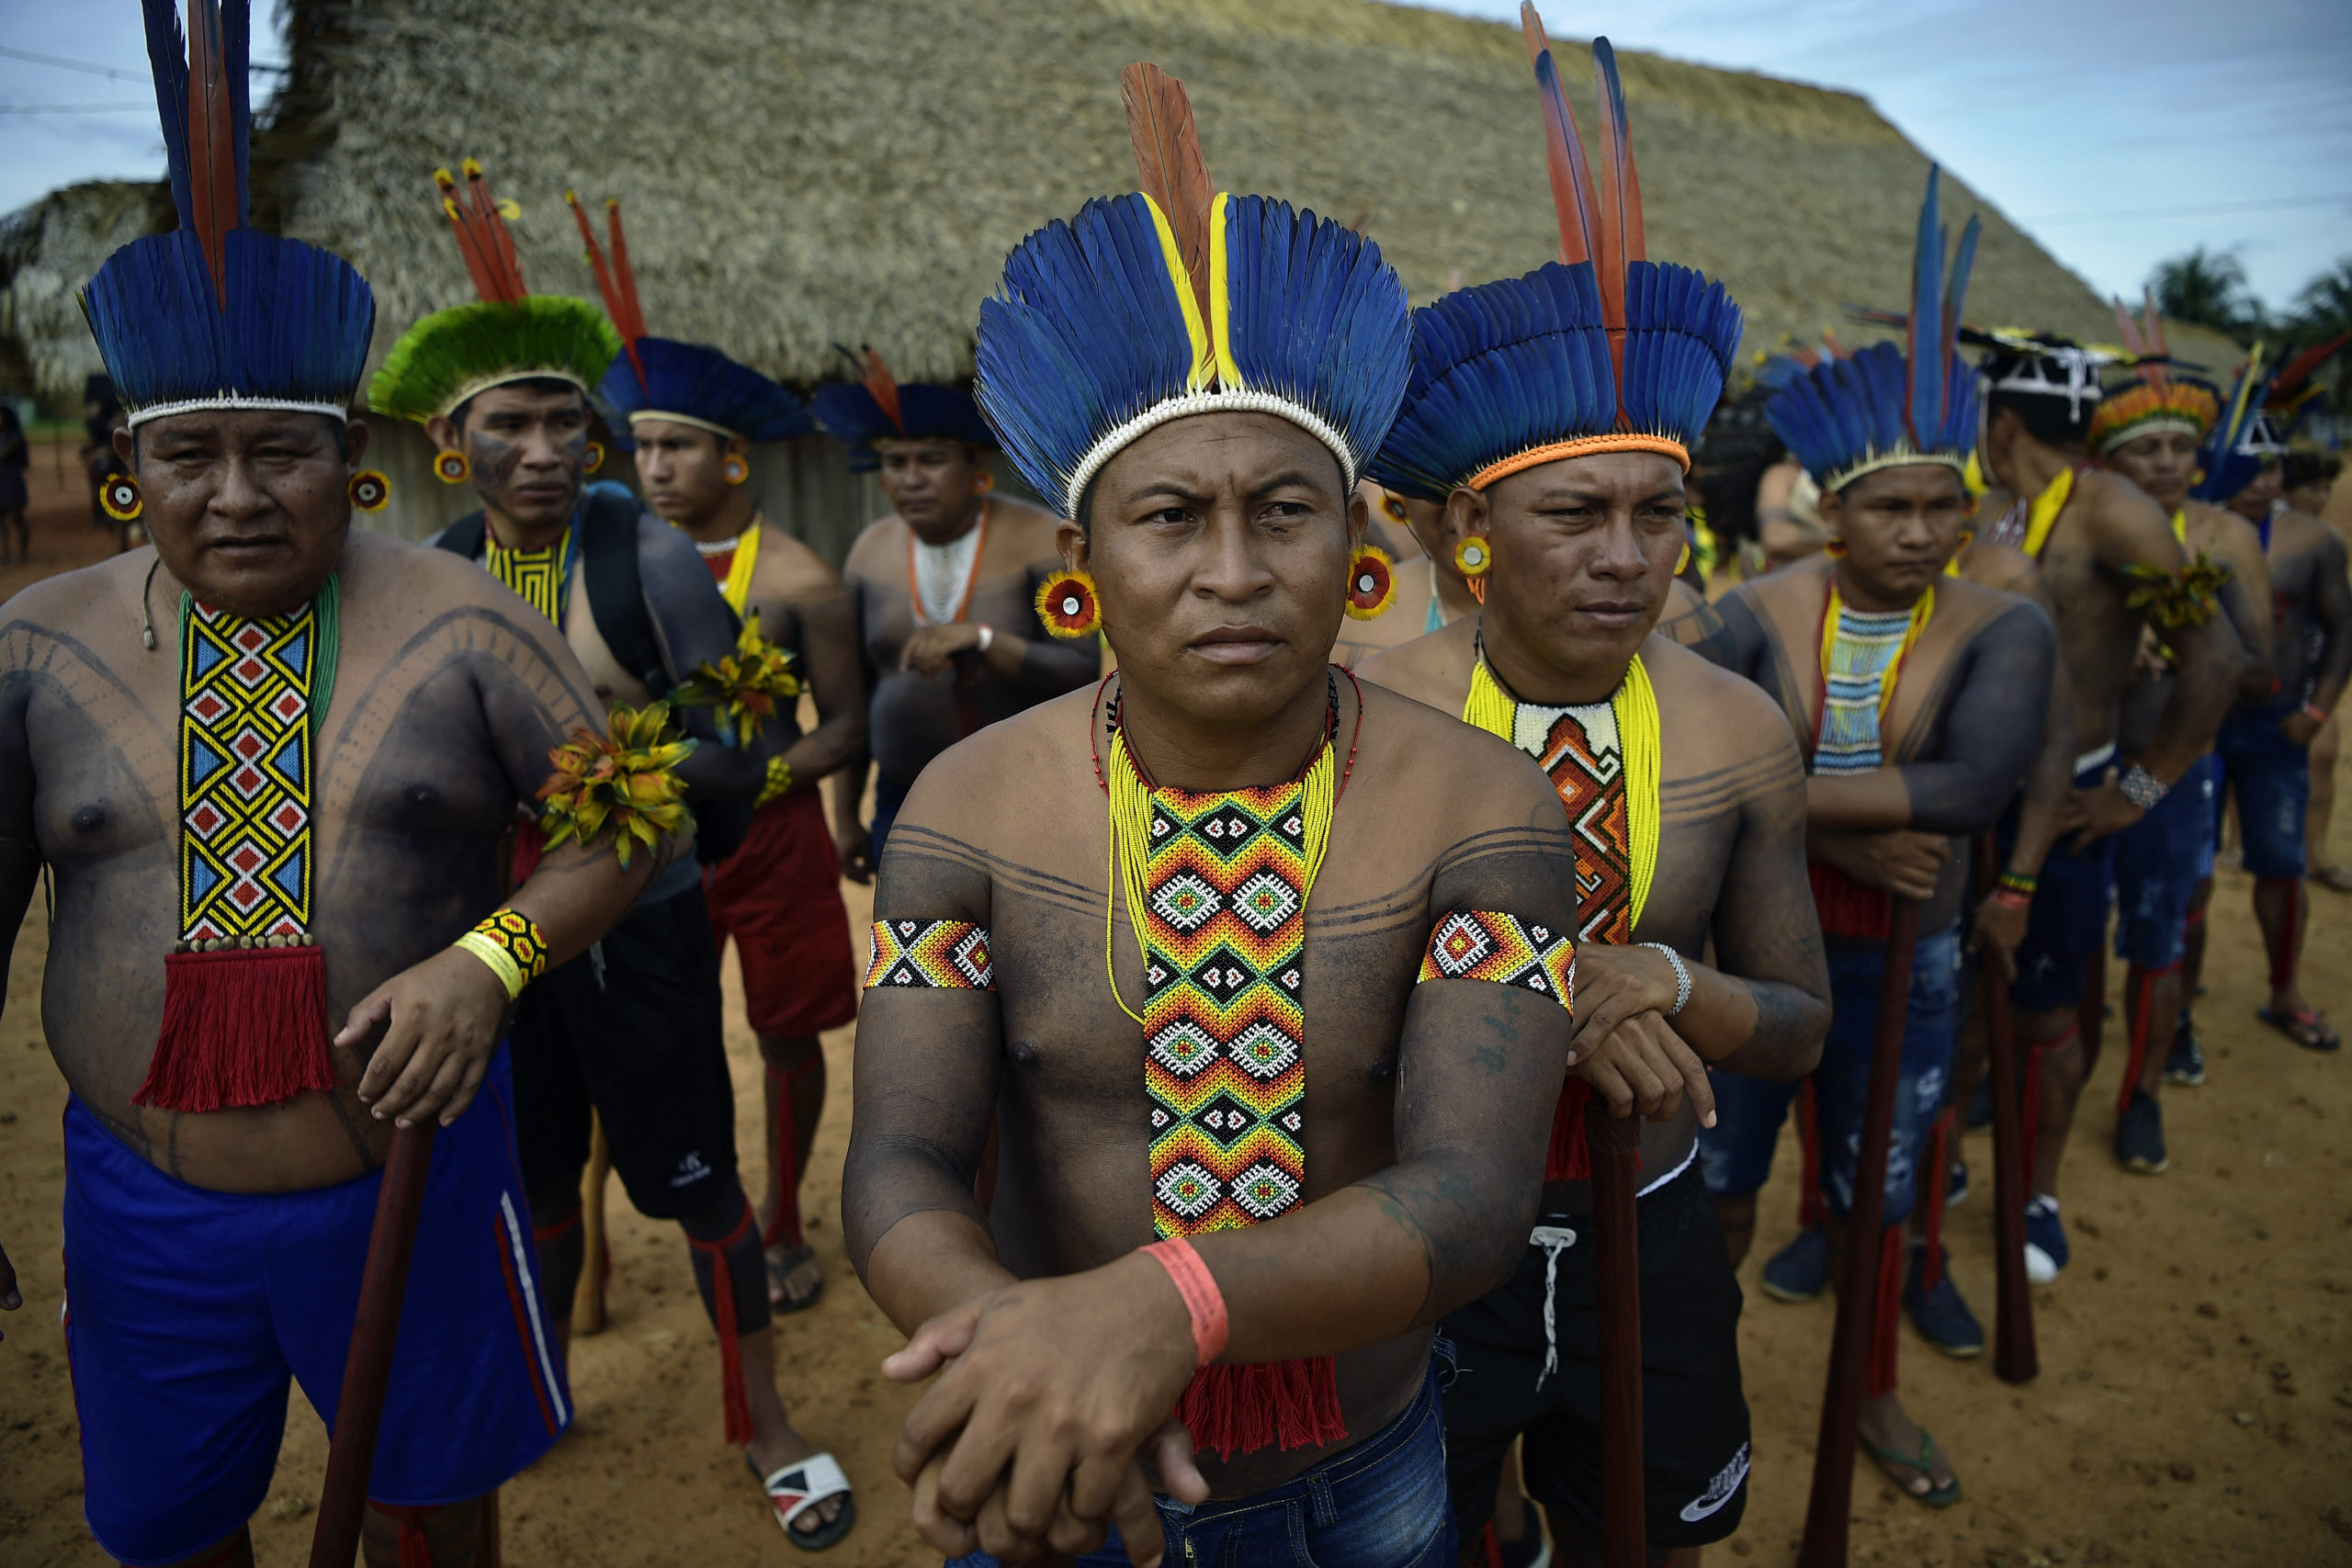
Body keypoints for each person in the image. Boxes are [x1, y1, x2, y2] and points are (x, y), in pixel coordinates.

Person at [843, 62, 1635, 1568]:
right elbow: (899, 1162)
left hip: (1369, 1478)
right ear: (1081, 558)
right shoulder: (966, 809)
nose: (1231, 570)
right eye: (1170, 517)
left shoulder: (1482, 805)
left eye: (1285, 509)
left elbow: (1469, 1198)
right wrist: (1019, 1350)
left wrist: (1164, 1302)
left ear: (1354, 551)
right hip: (1059, 1465)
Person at [0, 12, 671, 1560]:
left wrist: (490, 959)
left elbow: (619, 823)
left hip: (414, 1190)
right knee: (172, 1530)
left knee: (435, 1519)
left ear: (352, 454)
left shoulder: (469, 627)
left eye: (281, 454)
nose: (237, 497)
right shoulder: (33, 650)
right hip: (143, 1207)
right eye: (193, 458)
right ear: (128, 470)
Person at [1360, 28, 1831, 1563]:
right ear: (1470, 528)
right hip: (1426, 1222)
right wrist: (1565, 989)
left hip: (1657, 1206)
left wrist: (1667, 976)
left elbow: (1801, 1018)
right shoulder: (1368, 716)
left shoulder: (1738, 728)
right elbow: (1321, 991)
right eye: (1576, 513)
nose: (1628, 557)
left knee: (1647, 1536)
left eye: (1660, 513)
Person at [368, 160, 853, 1546]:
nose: (544, 448)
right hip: (493, 939)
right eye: (508, 423)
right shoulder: (435, 570)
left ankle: (764, 1419)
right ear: (455, 442)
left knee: (694, 1172)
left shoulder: (649, 558)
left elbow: (750, 735)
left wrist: (626, 774)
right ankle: (548, 1387)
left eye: (566, 421)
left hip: (640, 912)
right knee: (529, 1172)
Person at [1705, 171, 2054, 1508]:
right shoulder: (1756, 607)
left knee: (1876, 1193)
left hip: (1911, 959)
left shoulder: (2001, 627)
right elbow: (1706, 761)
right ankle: (1711, 1373)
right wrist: (1837, 842)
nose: (1918, 534)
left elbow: (1972, 786)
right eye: (1890, 509)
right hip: (1754, 942)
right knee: (1723, 1184)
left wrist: (1781, 796)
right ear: (1832, 509)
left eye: (1940, 509)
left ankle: (1871, 1392)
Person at [571, 193, 866, 1313]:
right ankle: (596, 1238)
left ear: (734, 458)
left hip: (777, 838)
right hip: (644, 832)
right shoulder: (605, 567)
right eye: (640, 446)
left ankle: (784, 1222)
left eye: (677, 447)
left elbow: (845, 727)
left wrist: (760, 779)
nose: (652, 468)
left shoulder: (799, 583)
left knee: (786, 1038)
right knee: (631, 1027)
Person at [1968, 328, 2237, 1281]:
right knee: (1960, 993)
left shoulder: (2113, 513)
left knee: (2045, 1013)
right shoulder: (1989, 505)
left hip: (2073, 799)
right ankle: (1947, 1162)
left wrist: (2139, 789)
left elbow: (2213, 659)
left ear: (1999, 419)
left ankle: (2035, 1191)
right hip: (1966, 801)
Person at [2087, 304, 2273, 1160]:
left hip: (2168, 776)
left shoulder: (2225, 534)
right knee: (2071, 934)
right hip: (2085, 767)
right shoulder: (2080, 529)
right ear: (2108, 459)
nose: (2166, 463)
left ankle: (2143, 1094)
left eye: (2178, 449)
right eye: (2144, 449)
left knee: (2162, 931)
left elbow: (2254, 665)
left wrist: (2183, 658)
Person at [818, 353, 1100, 882]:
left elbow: (1080, 670)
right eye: (896, 464)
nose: (911, 479)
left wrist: (984, 639)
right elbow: (852, 697)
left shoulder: (1041, 543)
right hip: (903, 801)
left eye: (931, 460)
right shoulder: (868, 553)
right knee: (918, 961)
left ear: (977, 470)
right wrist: (845, 817)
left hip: (1028, 799)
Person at [2210, 389, 2352, 1053]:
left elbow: (2343, 626)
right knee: (2181, 859)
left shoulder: (2314, 540)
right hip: (2189, 740)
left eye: (2274, 467)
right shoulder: (2181, 531)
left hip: (2276, 733)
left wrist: (2317, 712)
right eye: (2252, 465)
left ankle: (2285, 991)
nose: (2266, 480)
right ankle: (2169, 994)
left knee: (2281, 862)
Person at [2280, 451, 2350, 891]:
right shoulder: (2232, 531)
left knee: (2320, 756)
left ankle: (2314, 855)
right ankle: (2230, 842)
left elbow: (2343, 624)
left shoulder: (2324, 541)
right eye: (2313, 489)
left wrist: (2321, 706)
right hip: (2252, 684)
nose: (2322, 498)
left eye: (2328, 489)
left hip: (2306, 668)